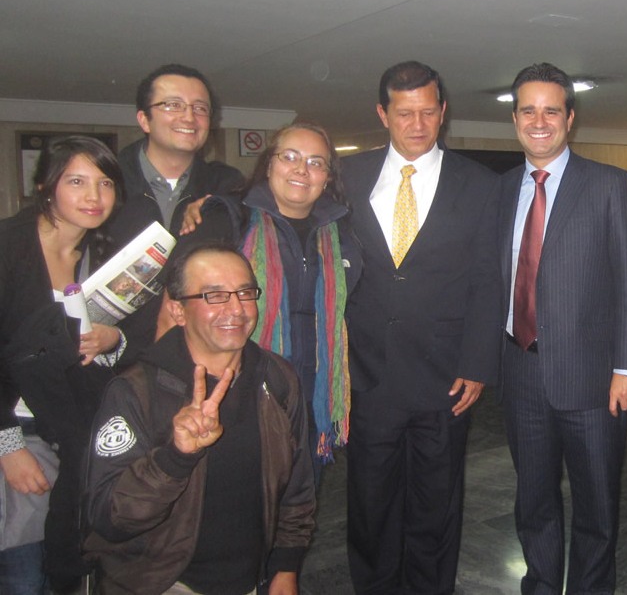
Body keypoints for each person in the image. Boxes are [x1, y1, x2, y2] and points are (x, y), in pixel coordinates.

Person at [340, 61, 501, 594]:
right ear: (383, 114)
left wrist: (477, 363)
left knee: (436, 503)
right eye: (405, 113)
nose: (417, 124)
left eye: (428, 112)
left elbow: (488, 279)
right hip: (368, 372)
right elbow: (288, 207)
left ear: (443, 111)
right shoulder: (346, 177)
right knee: (370, 503)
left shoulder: (479, 184)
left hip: (444, 376)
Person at [84, 241, 315, 594]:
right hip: (163, 582)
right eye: (215, 296)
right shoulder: (136, 391)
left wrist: (286, 565)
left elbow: (297, 487)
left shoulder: (277, 378)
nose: (236, 309)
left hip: (251, 579)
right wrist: (175, 458)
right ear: (178, 311)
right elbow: (109, 517)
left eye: (245, 293)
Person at [499, 62, 627, 595]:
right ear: (515, 119)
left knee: (597, 508)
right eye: (528, 111)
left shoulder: (610, 185)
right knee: (533, 501)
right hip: (520, 373)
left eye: (551, 111)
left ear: (570, 118)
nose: (539, 122)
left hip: (593, 380)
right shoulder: (501, 191)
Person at [180, 122, 360, 478]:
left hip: (311, 393)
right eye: (289, 157)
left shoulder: (341, 231)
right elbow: (180, 306)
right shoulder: (228, 218)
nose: (301, 169)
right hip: (235, 389)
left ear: (327, 177)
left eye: (316, 162)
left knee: (301, 492)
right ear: (268, 163)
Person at [0, 136, 123, 593]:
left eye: (105, 183)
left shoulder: (102, 254)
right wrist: (7, 446)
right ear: (45, 186)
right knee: (22, 571)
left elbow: (119, 343)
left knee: (65, 563)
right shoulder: (9, 245)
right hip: (16, 427)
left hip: (73, 431)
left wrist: (114, 339)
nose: (94, 196)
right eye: (77, 182)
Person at [107, 63, 243, 245]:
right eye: (173, 105)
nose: (189, 117)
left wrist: (220, 205)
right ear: (145, 120)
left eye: (200, 108)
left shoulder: (227, 186)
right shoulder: (108, 182)